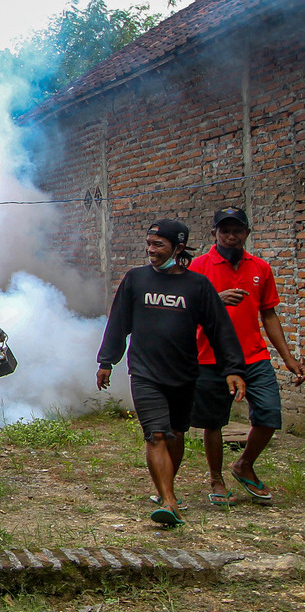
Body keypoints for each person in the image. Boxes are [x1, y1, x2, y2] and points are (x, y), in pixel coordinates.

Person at [96, 219, 246, 527]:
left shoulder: (197, 286)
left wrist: (232, 369)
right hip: (145, 372)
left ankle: (168, 489)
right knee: (156, 435)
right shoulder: (135, 280)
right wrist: (106, 361)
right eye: (149, 244)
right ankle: (168, 501)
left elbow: (220, 330)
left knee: (177, 434)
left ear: (178, 248)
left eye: (158, 245)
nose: (151, 250)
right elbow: (118, 323)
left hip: (184, 373)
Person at [189, 207, 305, 504]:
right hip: (210, 357)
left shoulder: (260, 268)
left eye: (237, 230)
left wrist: (288, 358)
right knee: (214, 422)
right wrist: (216, 300)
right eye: (224, 230)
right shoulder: (199, 267)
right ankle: (216, 479)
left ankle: (243, 465)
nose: (231, 236)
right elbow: (184, 310)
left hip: (253, 356)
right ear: (214, 233)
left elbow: (269, 314)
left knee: (269, 415)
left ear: (247, 234)